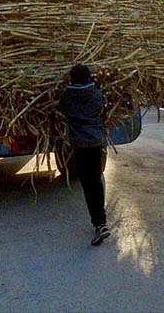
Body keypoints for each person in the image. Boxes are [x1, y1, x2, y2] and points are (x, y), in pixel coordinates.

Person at [57, 64, 111, 246]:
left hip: (79, 145)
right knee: (95, 180)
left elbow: (61, 109)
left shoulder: (66, 97)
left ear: (71, 79)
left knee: (87, 184)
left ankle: (99, 222)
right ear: (89, 78)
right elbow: (102, 106)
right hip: (96, 142)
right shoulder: (96, 95)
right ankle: (100, 221)